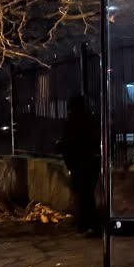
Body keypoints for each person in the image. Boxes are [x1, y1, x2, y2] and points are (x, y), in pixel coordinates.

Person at [58, 96, 101, 235]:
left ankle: (86, 224)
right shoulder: (90, 120)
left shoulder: (72, 123)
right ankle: (89, 224)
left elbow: (67, 145)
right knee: (87, 195)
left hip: (79, 164)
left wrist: (70, 163)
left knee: (83, 196)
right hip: (91, 164)